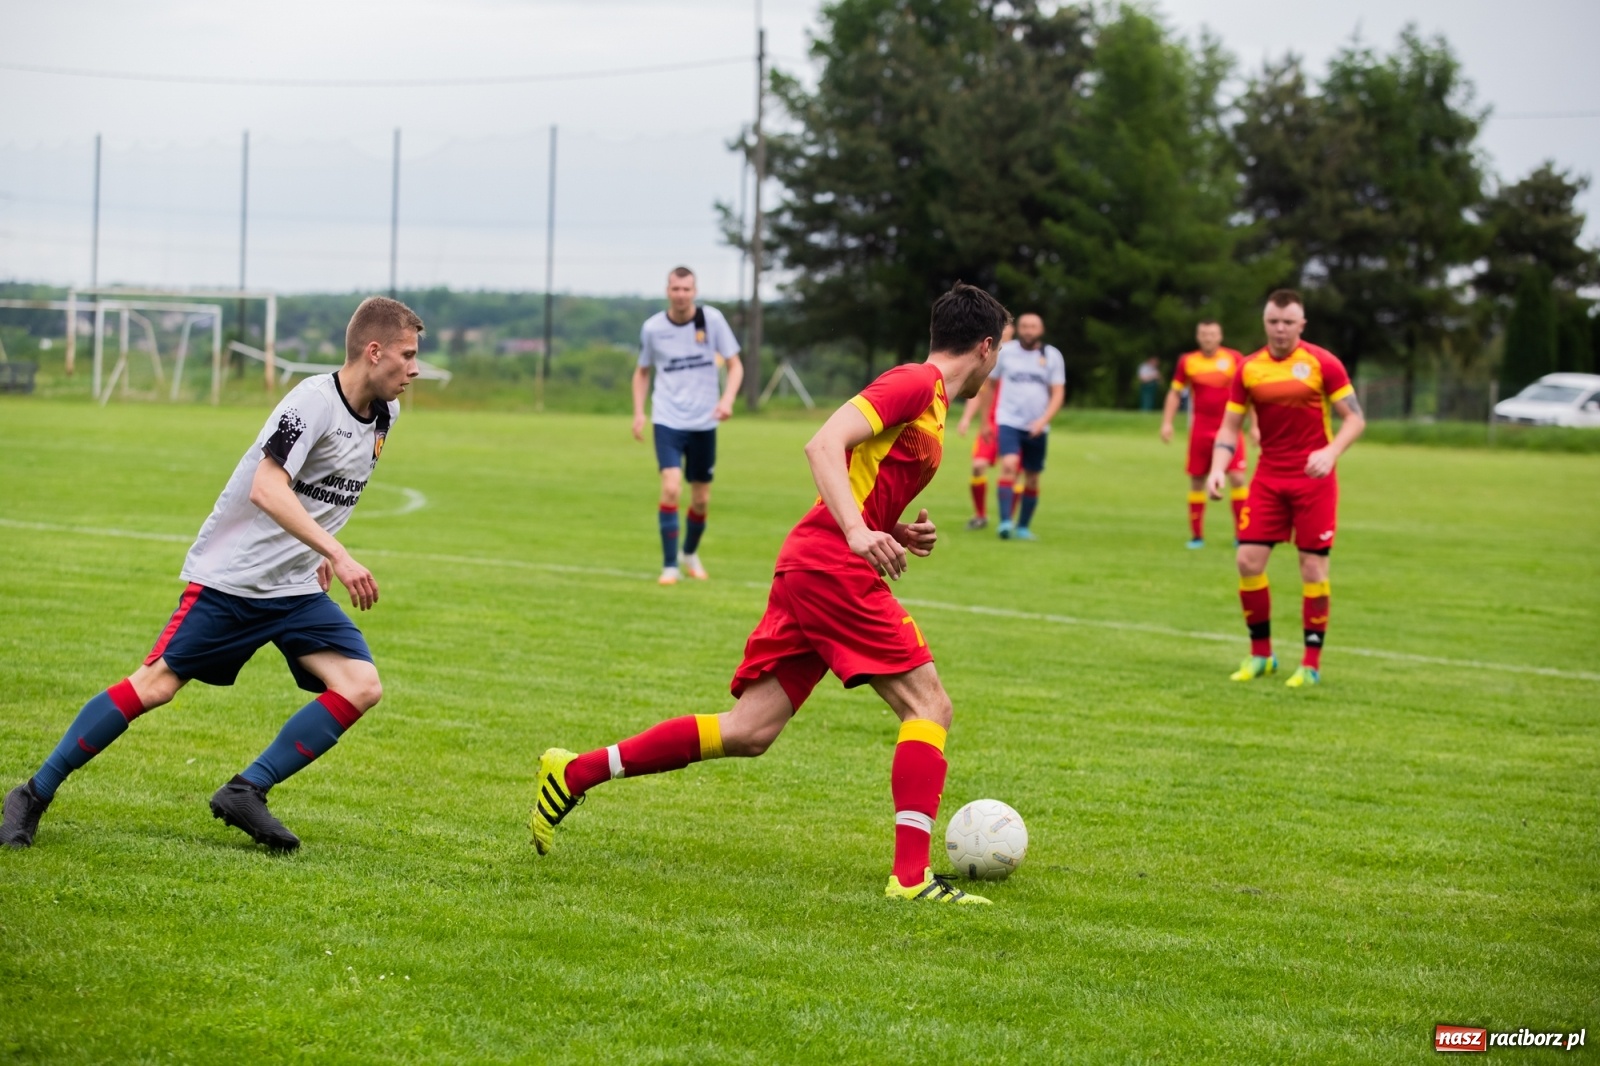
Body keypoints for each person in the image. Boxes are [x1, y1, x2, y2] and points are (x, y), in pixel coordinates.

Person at [531, 283, 1011, 905]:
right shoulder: (915, 384)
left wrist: (889, 528)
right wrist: (859, 532)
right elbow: (823, 444)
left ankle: (575, 772)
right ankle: (912, 880)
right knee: (930, 708)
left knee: (749, 731)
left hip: (817, 561)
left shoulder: (936, 400)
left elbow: (860, 475)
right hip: (832, 565)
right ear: (986, 346)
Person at [0, 297, 423, 850]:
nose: (415, 369)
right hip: (236, 580)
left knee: (361, 685)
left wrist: (318, 548)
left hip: (293, 588)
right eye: (407, 355)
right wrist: (338, 555)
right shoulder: (310, 404)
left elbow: (319, 491)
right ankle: (32, 793)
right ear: (374, 351)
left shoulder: (386, 415)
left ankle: (246, 792)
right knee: (155, 686)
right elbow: (267, 488)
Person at [1207, 290, 1365, 688]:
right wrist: (1217, 469)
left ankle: (1310, 663)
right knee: (1247, 562)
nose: (1280, 329)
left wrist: (1330, 453)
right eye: (1273, 322)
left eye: (1288, 322)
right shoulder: (1249, 368)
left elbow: (1355, 419)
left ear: (1301, 324)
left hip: (1314, 481)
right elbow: (1230, 426)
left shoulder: (1322, 363)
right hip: (1268, 479)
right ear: (1265, 323)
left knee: (1312, 567)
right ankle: (1262, 655)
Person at [632, 266, 744, 585]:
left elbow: (735, 366)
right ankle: (669, 566)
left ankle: (689, 553)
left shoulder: (712, 321)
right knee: (670, 486)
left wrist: (727, 400)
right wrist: (639, 412)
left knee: (701, 499)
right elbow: (642, 372)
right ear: (667, 291)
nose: (681, 295)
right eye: (675, 289)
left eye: (686, 289)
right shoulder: (653, 328)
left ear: (695, 291)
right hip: (667, 419)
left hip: (704, 422)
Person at [966, 312, 1065, 540]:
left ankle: (1022, 527)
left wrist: (1044, 421)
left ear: (1041, 330)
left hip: (1037, 426)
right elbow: (988, 387)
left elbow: (1058, 393)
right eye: (1025, 326)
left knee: (1032, 477)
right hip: (1008, 420)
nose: (1029, 330)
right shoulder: (1006, 354)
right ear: (1019, 329)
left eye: (1034, 326)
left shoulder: (1052, 356)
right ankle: (1005, 523)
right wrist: (984, 422)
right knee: (1009, 465)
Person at [1160, 320, 1253, 549]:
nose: (1208, 338)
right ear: (1198, 336)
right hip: (1200, 429)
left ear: (1220, 336)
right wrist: (1167, 423)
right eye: (1203, 334)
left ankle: (1242, 534)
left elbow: (1249, 393)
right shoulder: (1188, 361)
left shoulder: (1234, 358)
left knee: (1238, 477)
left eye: (1212, 334)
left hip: (1229, 428)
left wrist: (1256, 426)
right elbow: (1174, 393)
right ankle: (1197, 536)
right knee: (1197, 480)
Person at [955, 321, 1014, 529]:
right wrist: (966, 419)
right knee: (978, 466)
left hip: (1013, 425)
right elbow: (977, 395)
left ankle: (1009, 520)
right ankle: (980, 515)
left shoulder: (1019, 363)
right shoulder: (988, 361)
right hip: (989, 424)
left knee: (1012, 470)